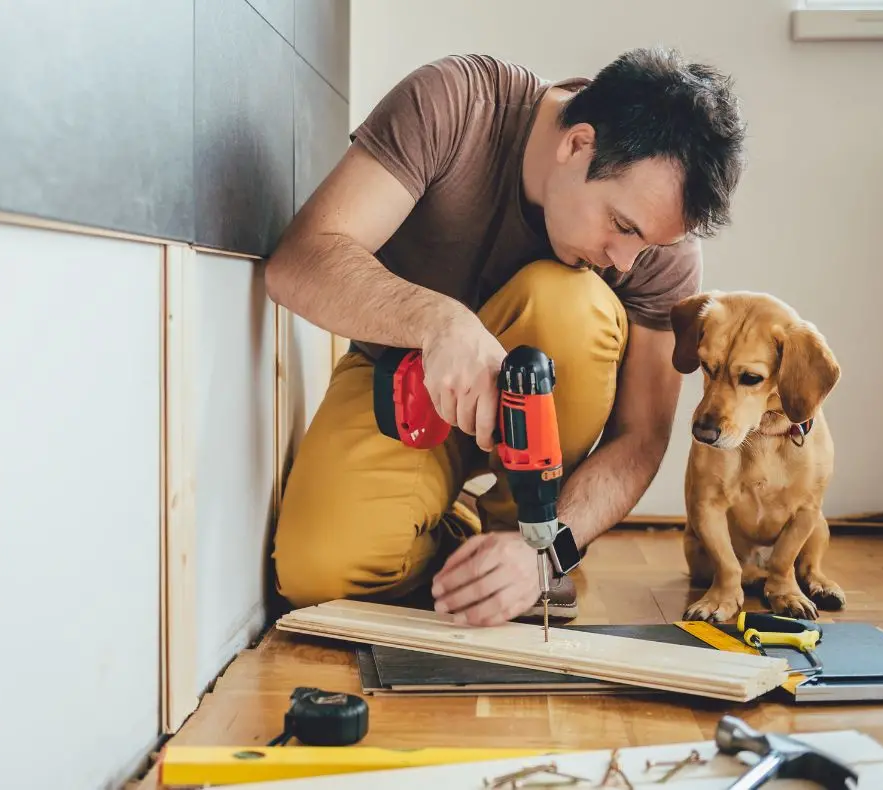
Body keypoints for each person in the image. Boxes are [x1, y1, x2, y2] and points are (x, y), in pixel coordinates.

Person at [263, 48, 746, 626]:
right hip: (405, 376)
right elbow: (297, 263)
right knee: (320, 573)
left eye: (646, 245)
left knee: (568, 300)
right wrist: (437, 321)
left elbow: (641, 439)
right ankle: (466, 537)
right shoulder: (456, 105)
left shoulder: (658, 253)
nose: (624, 262)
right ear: (577, 144)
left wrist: (548, 552)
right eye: (621, 226)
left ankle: (523, 544)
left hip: (544, 425)